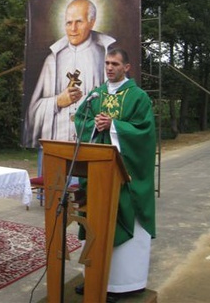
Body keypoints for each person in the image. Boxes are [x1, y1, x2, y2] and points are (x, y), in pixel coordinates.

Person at [74, 48, 156, 303]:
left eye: (115, 64)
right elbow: (81, 120)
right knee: (97, 225)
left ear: (127, 67)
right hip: (99, 176)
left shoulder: (138, 97)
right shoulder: (95, 94)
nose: (109, 68)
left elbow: (145, 133)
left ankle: (122, 284)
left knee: (121, 229)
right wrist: (94, 125)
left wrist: (114, 127)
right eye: (107, 63)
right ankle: (96, 279)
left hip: (125, 177)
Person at [24, 0, 115, 148]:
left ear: (92, 22)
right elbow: (32, 112)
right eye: (68, 23)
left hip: (90, 143)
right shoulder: (52, 60)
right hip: (56, 143)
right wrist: (57, 102)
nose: (73, 29)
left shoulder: (106, 57)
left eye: (79, 22)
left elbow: (117, 104)